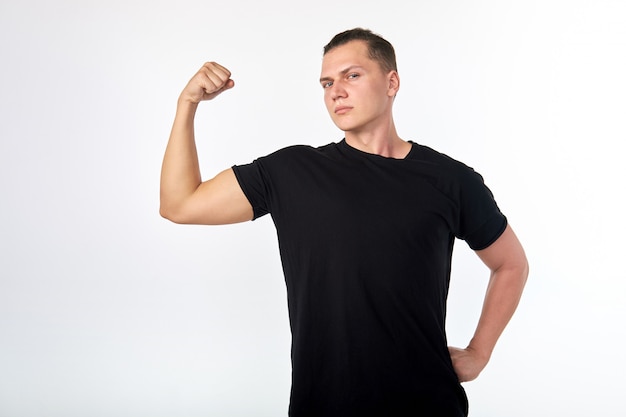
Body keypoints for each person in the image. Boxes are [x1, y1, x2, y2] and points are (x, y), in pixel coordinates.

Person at [160, 28, 528, 417]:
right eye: (326, 82)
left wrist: (479, 352)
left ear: (392, 82)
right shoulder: (291, 173)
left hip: (427, 402)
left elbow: (510, 263)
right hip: (324, 404)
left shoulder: (451, 180)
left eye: (352, 75)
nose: (336, 91)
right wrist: (187, 104)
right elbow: (180, 204)